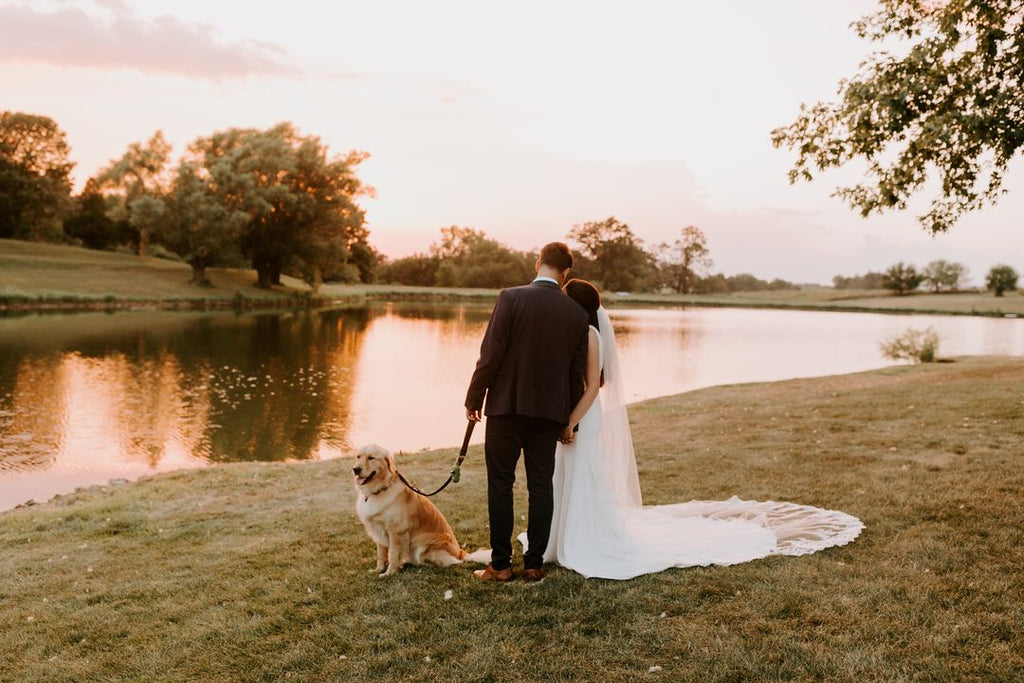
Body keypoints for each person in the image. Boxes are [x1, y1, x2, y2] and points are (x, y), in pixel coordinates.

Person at [528, 279, 864, 580]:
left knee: (584, 475)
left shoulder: (590, 335)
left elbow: (592, 387)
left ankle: (585, 540)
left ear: (578, 306)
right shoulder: (573, 332)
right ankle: (559, 538)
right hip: (573, 416)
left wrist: (571, 421)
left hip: (585, 416)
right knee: (565, 474)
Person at [464, 242, 590, 582]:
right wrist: (568, 421)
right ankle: (534, 564)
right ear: (566, 273)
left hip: (506, 406)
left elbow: (490, 354)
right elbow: (575, 375)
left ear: (538, 264)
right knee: (541, 486)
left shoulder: (510, 298)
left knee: (500, 483)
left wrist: (474, 397)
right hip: (549, 413)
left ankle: (501, 566)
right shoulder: (576, 314)